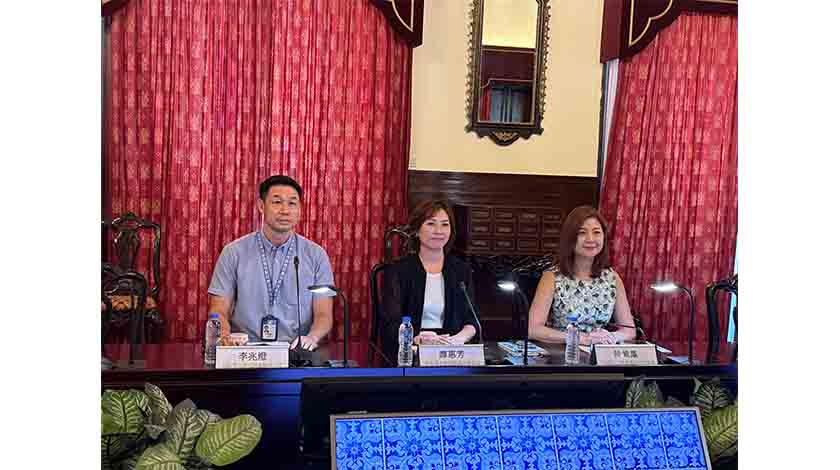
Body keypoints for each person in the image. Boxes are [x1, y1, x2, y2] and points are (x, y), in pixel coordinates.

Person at [208, 175, 334, 351]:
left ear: (300, 209)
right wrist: (225, 335)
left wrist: (312, 337)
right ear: (261, 206)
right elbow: (218, 309)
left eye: (292, 203)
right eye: (277, 202)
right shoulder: (233, 252)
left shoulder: (316, 255)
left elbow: (324, 314)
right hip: (245, 350)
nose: (285, 210)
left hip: (295, 351)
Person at [382, 200, 480, 360]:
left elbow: (472, 319)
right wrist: (416, 337)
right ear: (416, 230)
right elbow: (390, 323)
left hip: (452, 351)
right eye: (431, 224)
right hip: (412, 351)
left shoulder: (461, 270)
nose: (438, 231)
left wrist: (459, 338)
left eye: (445, 224)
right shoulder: (399, 270)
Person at [528, 205, 636, 345]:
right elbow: (533, 329)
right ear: (570, 238)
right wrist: (580, 339)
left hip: (599, 354)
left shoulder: (612, 278)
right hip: (563, 352)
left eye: (596, 232)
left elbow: (629, 330)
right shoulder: (552, 277)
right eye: (582, 233)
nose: (590, 239)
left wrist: (611, 337)